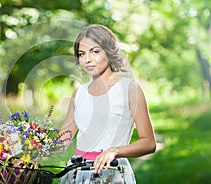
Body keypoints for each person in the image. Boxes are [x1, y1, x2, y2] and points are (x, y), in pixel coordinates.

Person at [58, 24, 156, 183]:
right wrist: (27, 141)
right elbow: (62, 142)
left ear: (109, 51)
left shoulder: (129, 89)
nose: (87, 59)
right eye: (81, 54)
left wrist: (115, 151)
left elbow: (149, 143)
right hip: (77, 175)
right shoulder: (79, 93)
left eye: (95, 51)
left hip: (112, 173)